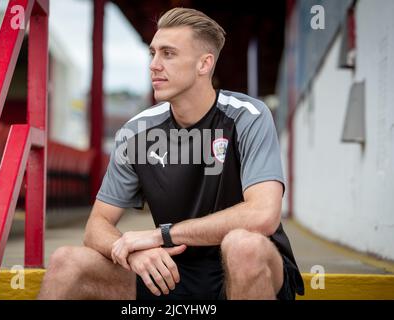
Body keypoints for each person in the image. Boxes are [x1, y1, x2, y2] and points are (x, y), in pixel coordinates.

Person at [38, 7, 304, 300]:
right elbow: (96, 227)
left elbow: (263, 214)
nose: (153, 64)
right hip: (171, 272)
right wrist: (134, 253)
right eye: (153, 53)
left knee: (244, 247)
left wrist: (161, 235)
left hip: (244, 271)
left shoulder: (247, 116)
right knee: (66, 261)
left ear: (204, 64)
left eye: (168, 53)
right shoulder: (135, 133)